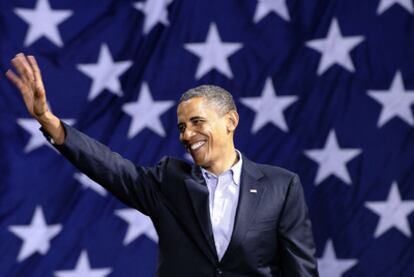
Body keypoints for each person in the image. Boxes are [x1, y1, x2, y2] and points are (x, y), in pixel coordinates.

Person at [6, 53, 318, 276]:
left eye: (197, 122)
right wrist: (49, 120)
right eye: (182, 127)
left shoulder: (281, 186)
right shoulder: (169, 181)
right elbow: (111, 167)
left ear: (230, 121)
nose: (187, 134)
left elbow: (301, 270)